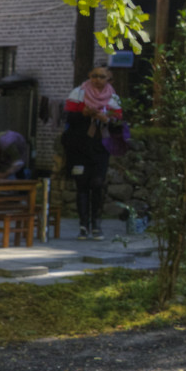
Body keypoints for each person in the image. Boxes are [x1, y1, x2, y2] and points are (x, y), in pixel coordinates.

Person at [63, 61, 123, 238]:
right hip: (79, 146)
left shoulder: (113, 98)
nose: (97, 80)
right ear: (89, 76)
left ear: (109, 79)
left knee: (97, 183)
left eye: (102, 77)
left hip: (100, 147)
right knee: (82, 184)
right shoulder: (78, 93)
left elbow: (118, 123)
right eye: (94, 76)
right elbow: (68, 117)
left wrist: (107, 120)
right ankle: (83, 225)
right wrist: (84, 114)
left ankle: (96, 224)